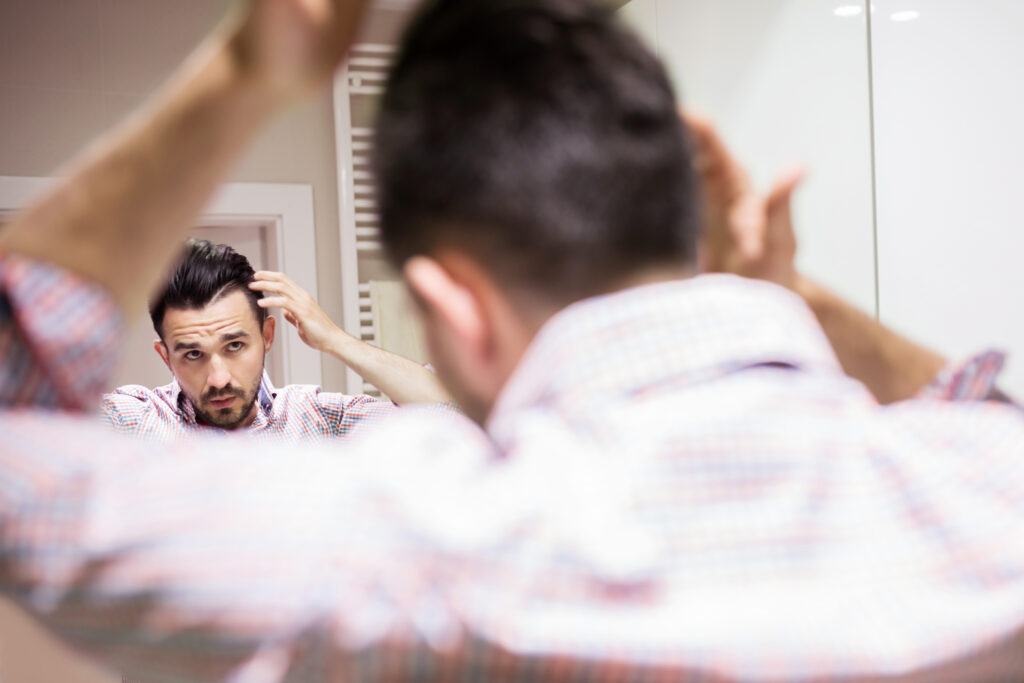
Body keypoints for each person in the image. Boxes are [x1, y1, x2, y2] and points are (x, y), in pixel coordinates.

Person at [1, 0, 1023, 681]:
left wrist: (239, 76)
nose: (217, 372)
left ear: (451, 307)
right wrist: (791, 294)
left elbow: (18, 444)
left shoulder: (396, 551)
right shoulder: (982, 493)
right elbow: (985, 417)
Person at [103, 238, 450, 438]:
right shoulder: (135, 422)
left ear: (267, 335)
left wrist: (336, 340)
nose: (219, 378)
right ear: (165, 357)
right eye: (193, 354)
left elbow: (452, 414)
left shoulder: (315, 420)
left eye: (235, 345)